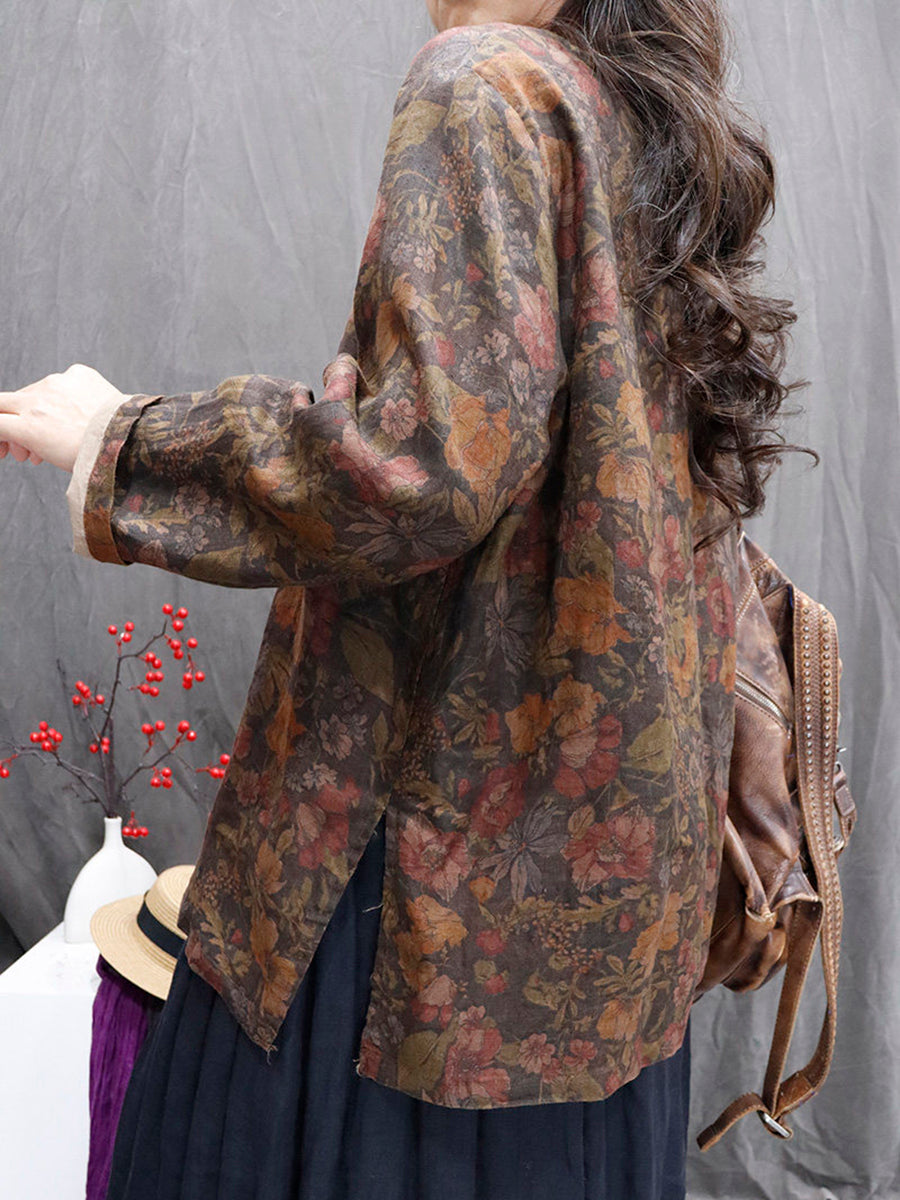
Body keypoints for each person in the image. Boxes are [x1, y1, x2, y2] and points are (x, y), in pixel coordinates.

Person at [0, 1, 812, 1197]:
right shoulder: (636, 110)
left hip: (428, 905)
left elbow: (422, 464)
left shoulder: (487, 81)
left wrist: (122, 443)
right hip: (599, 920)